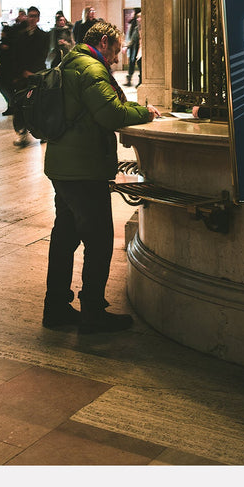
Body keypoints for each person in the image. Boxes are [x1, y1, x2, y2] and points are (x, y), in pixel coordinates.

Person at [41, 19, 162, 333]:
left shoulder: (70, 62)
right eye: (116, 50)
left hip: (63, 166)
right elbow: (112, 114)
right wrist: (146, 112)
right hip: (83, 169)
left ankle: (55, 307)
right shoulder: (92, 69)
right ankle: (92, 312)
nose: (117, 58)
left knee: (65, 236)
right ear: (105, 41)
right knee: (99, 240)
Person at [10, 5, 50, 146]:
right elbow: (16, 56)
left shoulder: (44, 36)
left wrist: (33, 72)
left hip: (37, 74)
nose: (32, 19)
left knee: (39, 105)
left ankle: (42, 132)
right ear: (27, 17)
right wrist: (21, 72)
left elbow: (42, 55)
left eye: (35, 16)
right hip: (23, 76)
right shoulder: (20, 36)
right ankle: (22, 132)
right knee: (20, 105)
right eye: (30, 16)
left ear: (38, 18)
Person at [125, 9, 142, 86]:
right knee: (136, 62)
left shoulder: (147, 28)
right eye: (137, 17)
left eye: (139, 17)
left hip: (143, 49)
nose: (137, 19)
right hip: (137, 48)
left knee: (140, 64)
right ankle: (138, 80)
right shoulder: (136, 28)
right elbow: (132, 39)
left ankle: (141, 80)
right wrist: (126, 46)